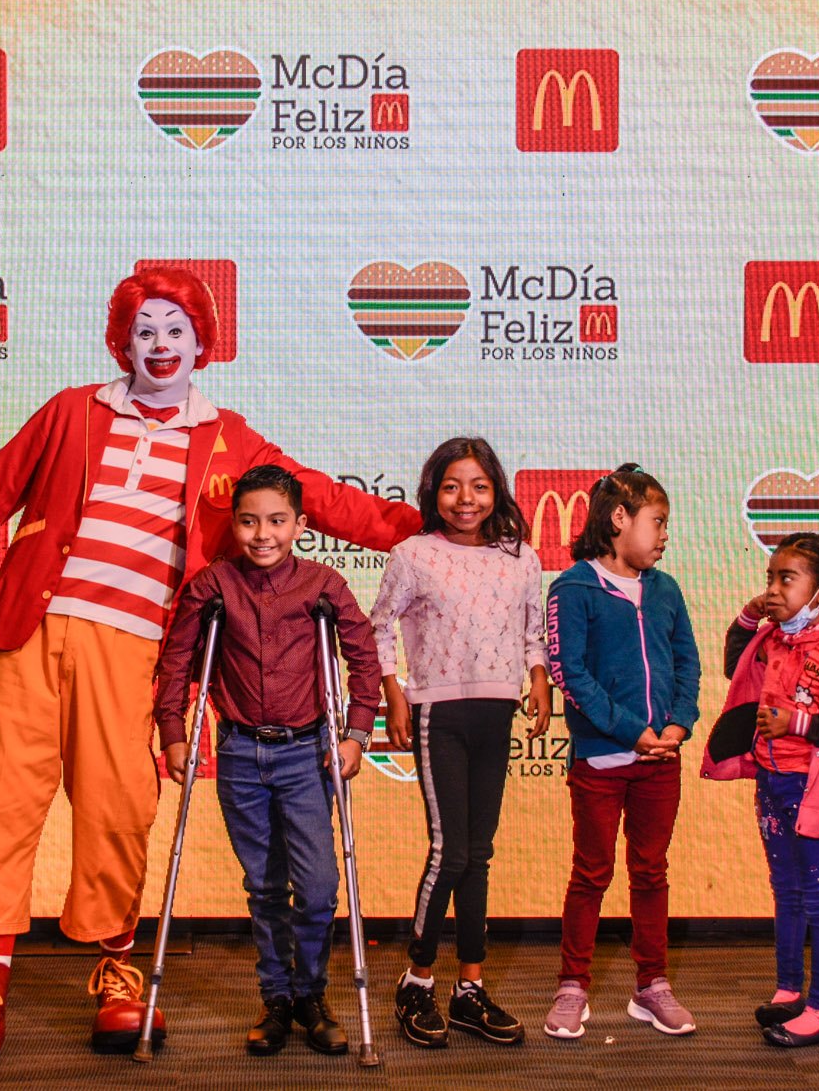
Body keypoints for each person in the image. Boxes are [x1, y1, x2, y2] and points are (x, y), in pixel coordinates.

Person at [0, 267, 420, 1069]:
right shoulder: (70, 411)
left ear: (203, 342)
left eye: (176, 330)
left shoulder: (230, 438)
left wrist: (422, 528)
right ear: (121, 340)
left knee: (117, 806)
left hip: (138, 646)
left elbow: (327, 500)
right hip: (32, 630)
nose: (160, 345)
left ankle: (117, 973)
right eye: (145, 330)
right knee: (1, 800)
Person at [155, 465, 379, 1057]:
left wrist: (356, 734)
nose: (263, 534)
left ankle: (311, 993)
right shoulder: (212, 586)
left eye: (277, 521)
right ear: (235, 523)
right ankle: (276, 998)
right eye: (250, 521)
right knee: (263, 886)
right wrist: (174, 731)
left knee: (319, 885)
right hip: (239, 753)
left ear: (300, 525)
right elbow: (178, 662)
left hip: (307, 754)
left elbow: (365, 660)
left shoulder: (324, 586)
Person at [371, 437, 548, 1048]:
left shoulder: (520, 557)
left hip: (495, 714)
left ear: (496, 489)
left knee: (479, 853)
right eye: (451, 486)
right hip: (438, 714)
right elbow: (377, 632)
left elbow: (533, 632)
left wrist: (540, 682)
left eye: (477, 485)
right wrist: (394, 696)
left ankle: (469, 987)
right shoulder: (413, 554)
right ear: (432, 493)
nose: (465, 499)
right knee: (450, 851)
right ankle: (417, 981)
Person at [541, 465, 700, 1041]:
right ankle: (572, 987)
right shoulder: (573, 587)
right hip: (602, 762)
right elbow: (571, 674)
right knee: (591, 872)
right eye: (656, 522)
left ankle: (651, 986)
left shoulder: (665, 589)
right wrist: (632, 729)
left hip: (662, 761)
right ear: (618, 519)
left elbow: (687, 661)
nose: (664, 535)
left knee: (651, 871)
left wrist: (679, 724)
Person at [704, 532, 819, 1048]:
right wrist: (750, 611)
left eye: (786, 579)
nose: (774, 589)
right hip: (774, 783)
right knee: (786, 891)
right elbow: (737, 663)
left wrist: (798, 723)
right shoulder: (775, 639)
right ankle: (788, 992)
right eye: (769, 578)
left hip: (817, 788)